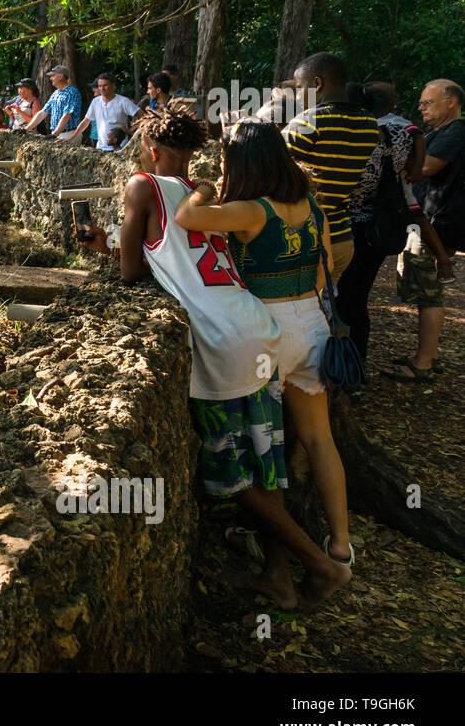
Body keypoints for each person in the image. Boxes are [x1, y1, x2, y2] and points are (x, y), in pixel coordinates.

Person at [79, 109, 350, 607]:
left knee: (233, 474)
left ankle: (321, 566)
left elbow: (131, 274)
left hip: (224, 345)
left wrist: (115, 251)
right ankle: (280, 579)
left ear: (151, 152)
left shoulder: (143, 186)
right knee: (266, 464)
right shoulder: (211, 196)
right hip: (257, 327)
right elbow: (181, 258)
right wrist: (111, 246)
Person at [174, 120, 355, 576]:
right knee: (318, 439)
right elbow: (326, 266)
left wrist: (203, 187)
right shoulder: (312, 206)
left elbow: (187, 218)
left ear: (243, 163)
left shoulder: (253, 211)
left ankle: (276, 556)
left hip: (265, 333)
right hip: (312, 324)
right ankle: (340, 544)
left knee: (263, 450)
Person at [337, 82, 452, 369]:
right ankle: (356, 366)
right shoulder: (405, 130)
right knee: (358, 299)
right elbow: (415, 176)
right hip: (377, 230)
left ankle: (334, 366)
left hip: (342, 226)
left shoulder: (354, 131)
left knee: (336, 299)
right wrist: (442, 257)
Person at [383, 78, 465, 381]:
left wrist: (391, 160)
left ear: (451, 102)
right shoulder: (439, 132)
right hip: (430, 221)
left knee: (429, 294)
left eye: (428, 102)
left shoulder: (456, 131)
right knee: (423, 291)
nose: (421, 107)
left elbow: (426, 167)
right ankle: (425, 355)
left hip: (438, 223)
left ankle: (423, 364)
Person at [282, 52, 379, 280]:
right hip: (341, 238)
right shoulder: (369, 124)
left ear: (317, 83)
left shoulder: (307, 122)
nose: (297, 95)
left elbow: (269, 169)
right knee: (323, 311)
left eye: (299, 87)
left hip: (302, 240)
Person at [57, 72, 138, 148]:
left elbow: (145, 118)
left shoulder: (123, 101)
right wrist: (70, 138)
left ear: (113, 86)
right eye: (100, 86)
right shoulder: (95, 101)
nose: (102, 88)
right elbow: (85, 122)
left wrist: (129, 131)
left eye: (105, 85)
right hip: (101, 148)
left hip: (120, 148)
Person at [27, 66, 80, 137]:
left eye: (53, 76)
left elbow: (67, 114)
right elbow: (43, 113)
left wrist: (55, 133)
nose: (50, 78)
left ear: (61, 76)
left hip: (68, 134)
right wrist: (25, 129)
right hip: (57, 133)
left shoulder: (72, 92)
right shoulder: (55, 93)